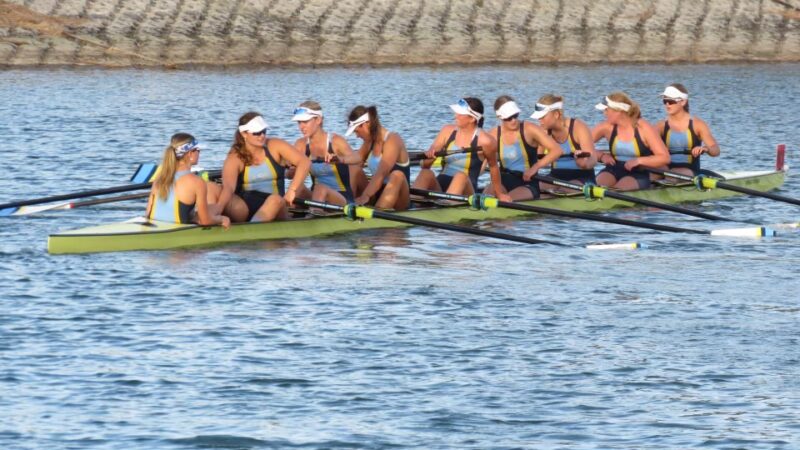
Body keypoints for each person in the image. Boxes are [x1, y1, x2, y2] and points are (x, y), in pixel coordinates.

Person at [209, 112, 310, 222]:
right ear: (244, 134)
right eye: (256, 133)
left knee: (275, 199)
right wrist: (219, 207)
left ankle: (253, 227)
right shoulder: (235, 157)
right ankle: (210, 219)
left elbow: (304, 162)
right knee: (210, 187)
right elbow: (229, 188)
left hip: (276, 206)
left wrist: (292, 190)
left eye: (264, 131)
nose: (262, 136)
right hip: (244, 209)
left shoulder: (275, 145)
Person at [412, 97, 503, 198]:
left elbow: (494, 167)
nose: (456, 115)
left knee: (460, 176)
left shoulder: (486, 141)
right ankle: (412, 203)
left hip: (466, 191)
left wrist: (500, 194)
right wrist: (429, 157)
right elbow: (425, 166)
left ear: (472, 118)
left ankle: (446, 204)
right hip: (440, 187)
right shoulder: (446, 131)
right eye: (456, 112)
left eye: (460, 114)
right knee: (426, 173)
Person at [484, 95, 563, 201]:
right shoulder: (493, 134)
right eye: (509, 118)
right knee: (485, 198)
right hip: (502, 182)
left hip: (527, 183)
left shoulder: (530, 129)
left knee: (507, 201)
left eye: (515, 115)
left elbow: (557, 150)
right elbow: (482, 163)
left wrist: (535, 168)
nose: (513, 120)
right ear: (499, 117)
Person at [146, 133, 230, 228]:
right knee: (216, 213)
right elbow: (205, 221)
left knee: (214, 208)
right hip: (177, 231)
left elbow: (148, 213)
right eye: (197, 150)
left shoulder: (160, 178)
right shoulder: (196, 182)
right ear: (190, 153)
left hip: (154, 227)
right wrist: (222, 219)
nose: (199, 153)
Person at [292, 101, 367, 206]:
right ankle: (289, 214)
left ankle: (314, 213)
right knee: (297, 188)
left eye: (305, 122)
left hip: (341, 197)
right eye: (299, 122)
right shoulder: (300, 145)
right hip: (316, 195)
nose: (301, 127)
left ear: (318, 120)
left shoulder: (336, 141)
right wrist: (289, 169)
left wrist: (340, 159)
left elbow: (358, 161)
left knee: (320, 188)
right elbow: (290, 174)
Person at [592, 92, 670, 191]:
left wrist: (639, 161)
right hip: (613, 169)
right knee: (594, 188)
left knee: (616, 191)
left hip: (638, 172)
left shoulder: (643, 127)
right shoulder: (606, 127)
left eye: (606, 110)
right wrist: (601, 156)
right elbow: (579, 146)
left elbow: (664, 157)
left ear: (618, 111)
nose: (604, 113)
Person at [347, 105, 411, 211]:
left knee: (397, 175)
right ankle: (348, 204)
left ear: (366, 124)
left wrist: (365, 196)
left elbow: (381, 173)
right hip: (377, 193)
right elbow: (356, 160)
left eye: (357, 131)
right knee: (354, 168)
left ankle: (378, 212)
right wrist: (338, 158)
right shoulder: (369, 142)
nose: (357, 136)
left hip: (399, 199)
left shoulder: (393, 140)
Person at [531, 94, 597, 185]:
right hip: (556, 176)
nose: (539, 119)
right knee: (537, 187)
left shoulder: (578, 127)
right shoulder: (544, 132)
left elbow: (593, 159)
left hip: (582, 177)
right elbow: (537, 159)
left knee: (564, 188)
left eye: (542, 117)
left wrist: (584, 163)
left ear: (556, 114)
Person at [655, 83, 720, 176]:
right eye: (665, 101)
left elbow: (716, 150)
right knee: (653, 174)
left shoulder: (698, 125)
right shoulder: (660, 126)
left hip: (690, 171)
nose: (667, 104)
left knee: (674, 174)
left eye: (671, 101)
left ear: (683, 102)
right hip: (667, 170)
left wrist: (705, 149)